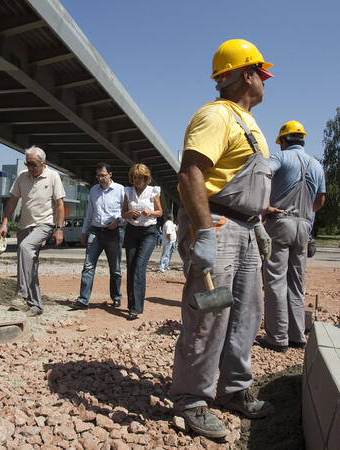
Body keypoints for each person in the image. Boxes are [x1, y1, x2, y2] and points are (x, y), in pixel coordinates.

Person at [170, 38, 275, 439]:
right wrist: (203, 234)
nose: (266, 80)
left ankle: (233, 389)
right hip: (216, 225)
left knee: (246, 315)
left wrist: (257, 224)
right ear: (246, 74)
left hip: (244, 229)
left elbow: (244, 186)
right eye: (261, 73)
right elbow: (191, 175)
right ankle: (191, 400)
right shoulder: (216, 116)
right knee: (208, 317)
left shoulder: (248, 123)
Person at [258, 121, 326, 352]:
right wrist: (304, 213)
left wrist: (264, 206)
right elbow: (320, 201)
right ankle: (297, 335)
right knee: (295, 282)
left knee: (275, 280)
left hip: (280, 221)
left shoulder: (281, 157)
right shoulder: (316, 164)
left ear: (284, 141)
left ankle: (277, 338)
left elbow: (262, 173)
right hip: (304, 227)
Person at [0, 146, 65, 317]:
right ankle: (35, 306)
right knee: (30, 266)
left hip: (44, 224)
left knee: (25, 248)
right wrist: (5, 222)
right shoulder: (22, 177)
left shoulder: (53, 176)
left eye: (33, 164)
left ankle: (21, 294)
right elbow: (12, 201)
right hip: (23, 227)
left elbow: (59, 205)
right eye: (27, 164)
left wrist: (59, 229)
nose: (30, 167)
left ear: (43, 163)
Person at [71, 163, 124, 310]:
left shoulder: (120, 190)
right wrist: (83, 231)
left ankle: (116, 296)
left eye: (103, 175)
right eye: (98, 176)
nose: (100, 178)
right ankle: (83, 299)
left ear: (110, 174)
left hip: (114, 233)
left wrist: (118, 221)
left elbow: (126, 212)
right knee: (88, 265)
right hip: (95, 231)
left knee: (115, 268)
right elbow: (89, 213)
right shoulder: (94, 190)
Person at [121, 163, 162, 320]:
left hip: (149, 233)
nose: (137, 180)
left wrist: (150, 212)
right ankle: (132, 305)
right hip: (132, 231)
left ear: (146, 178)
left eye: (140, 178)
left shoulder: (153, 191)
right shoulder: (127, 192)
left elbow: (160, 212)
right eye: (135, 177)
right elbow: (123, 214)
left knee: (139, 266)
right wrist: (130, 213)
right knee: (131, 267)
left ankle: (137, 308)